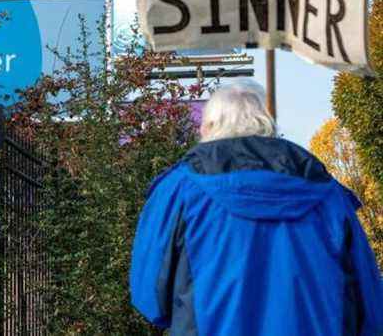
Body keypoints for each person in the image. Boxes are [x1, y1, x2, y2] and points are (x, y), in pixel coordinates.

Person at [129, 79, 383, 336]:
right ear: (267, 125)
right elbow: (369, 301)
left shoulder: (179, 190)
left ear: (208, 127)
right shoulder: (329, 195)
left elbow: (150, 297)